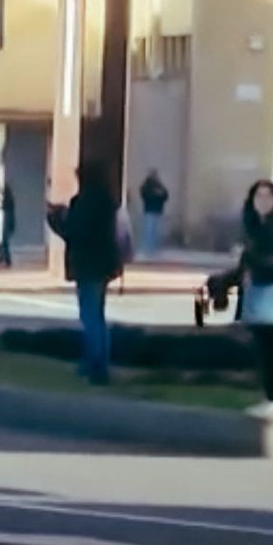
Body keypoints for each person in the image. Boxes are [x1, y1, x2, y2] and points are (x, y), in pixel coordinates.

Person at [207, 180, 273, 420]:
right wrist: (222, 281)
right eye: (258, 197)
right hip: (262, 300)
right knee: (266, 351)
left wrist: (252, 259)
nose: (262, 202)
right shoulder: (256, 227)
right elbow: (246, 268)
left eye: (268, 197)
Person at [47, 161, 124, 385]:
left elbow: (74, 231)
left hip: (87, 265)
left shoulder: (84, 202)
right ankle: (96, 362)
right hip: (103, 265)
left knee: (89, 316)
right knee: (97, 316)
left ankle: (95, 366)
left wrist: (55, 219)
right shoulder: (107, 201)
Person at [139, 170, 170, 258]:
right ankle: (147, 250)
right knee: (148, 232)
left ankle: (155, 250)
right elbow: (143, 194)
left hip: (158, 211)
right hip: (149, 211)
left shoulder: (160, 185)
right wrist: (155, 194)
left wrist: (160, 194)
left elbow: (166, 195)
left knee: (157, 232)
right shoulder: (146, 186)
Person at [0, 182, 17, 269]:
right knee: (2, 243)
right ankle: (2, 259)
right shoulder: (10, 201)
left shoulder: (7, 203)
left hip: (6, 222)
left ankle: (7, 260)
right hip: (7, 222)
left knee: (4, 242)